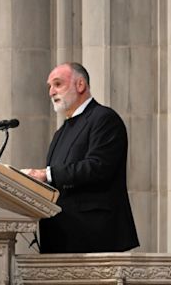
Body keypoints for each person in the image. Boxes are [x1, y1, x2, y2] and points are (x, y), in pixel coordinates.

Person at [22, 62, 139, 253]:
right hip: (60, 233)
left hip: (93, 234)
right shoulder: (60, 132)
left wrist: (46, 174)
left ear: (80, 85)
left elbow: (98, 167)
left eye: (58, 84)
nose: (51, 92)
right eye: (50, 86)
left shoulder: (103, 118)